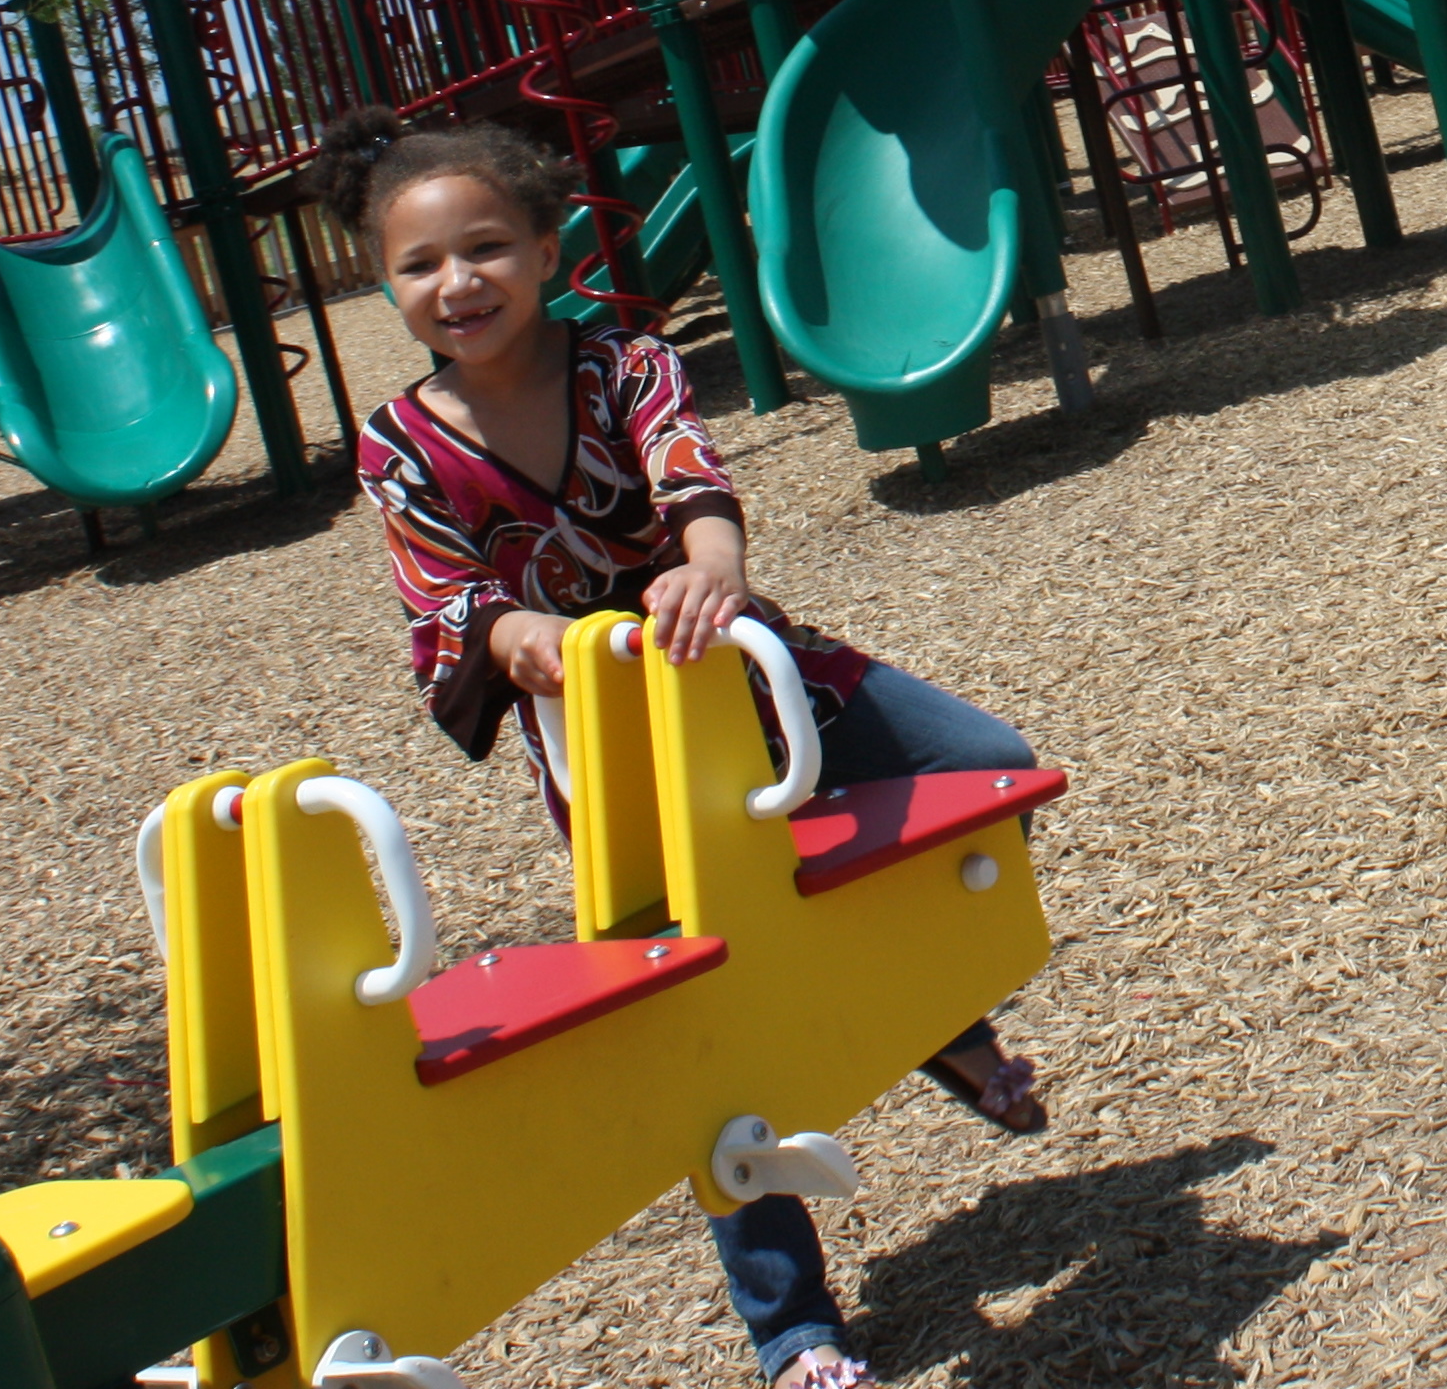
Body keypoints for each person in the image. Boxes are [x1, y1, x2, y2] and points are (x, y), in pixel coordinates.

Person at [312, 106, 1047, 1389]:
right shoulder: (399, 441)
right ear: (388, 283)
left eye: (485, 247)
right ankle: (795, 1330)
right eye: (419, 265)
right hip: (617, 760)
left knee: (986, 769)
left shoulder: (624, 362)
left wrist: (712, 564)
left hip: (758, 679)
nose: (455, 282)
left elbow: (689, 477)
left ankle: (924, 1016)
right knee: (708, 1022)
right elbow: (447, 598)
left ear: (547, 249)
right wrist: (518, 629)